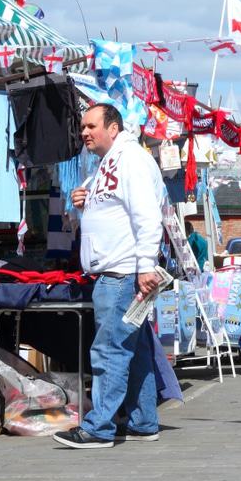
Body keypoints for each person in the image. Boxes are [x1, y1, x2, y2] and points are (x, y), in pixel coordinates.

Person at [53, 103, 165, 450]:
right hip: (116, 273)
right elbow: (113, 213)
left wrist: (146, 265)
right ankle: (143, 422)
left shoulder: (131, 159)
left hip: (123, 274)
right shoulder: (106, 163)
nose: (84, 132)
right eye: (83, 126)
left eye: (91, 126)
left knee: (109, 350)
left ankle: (98, 427)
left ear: (113, 128)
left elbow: (147, 215)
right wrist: (85, 204)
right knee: (136, 350)